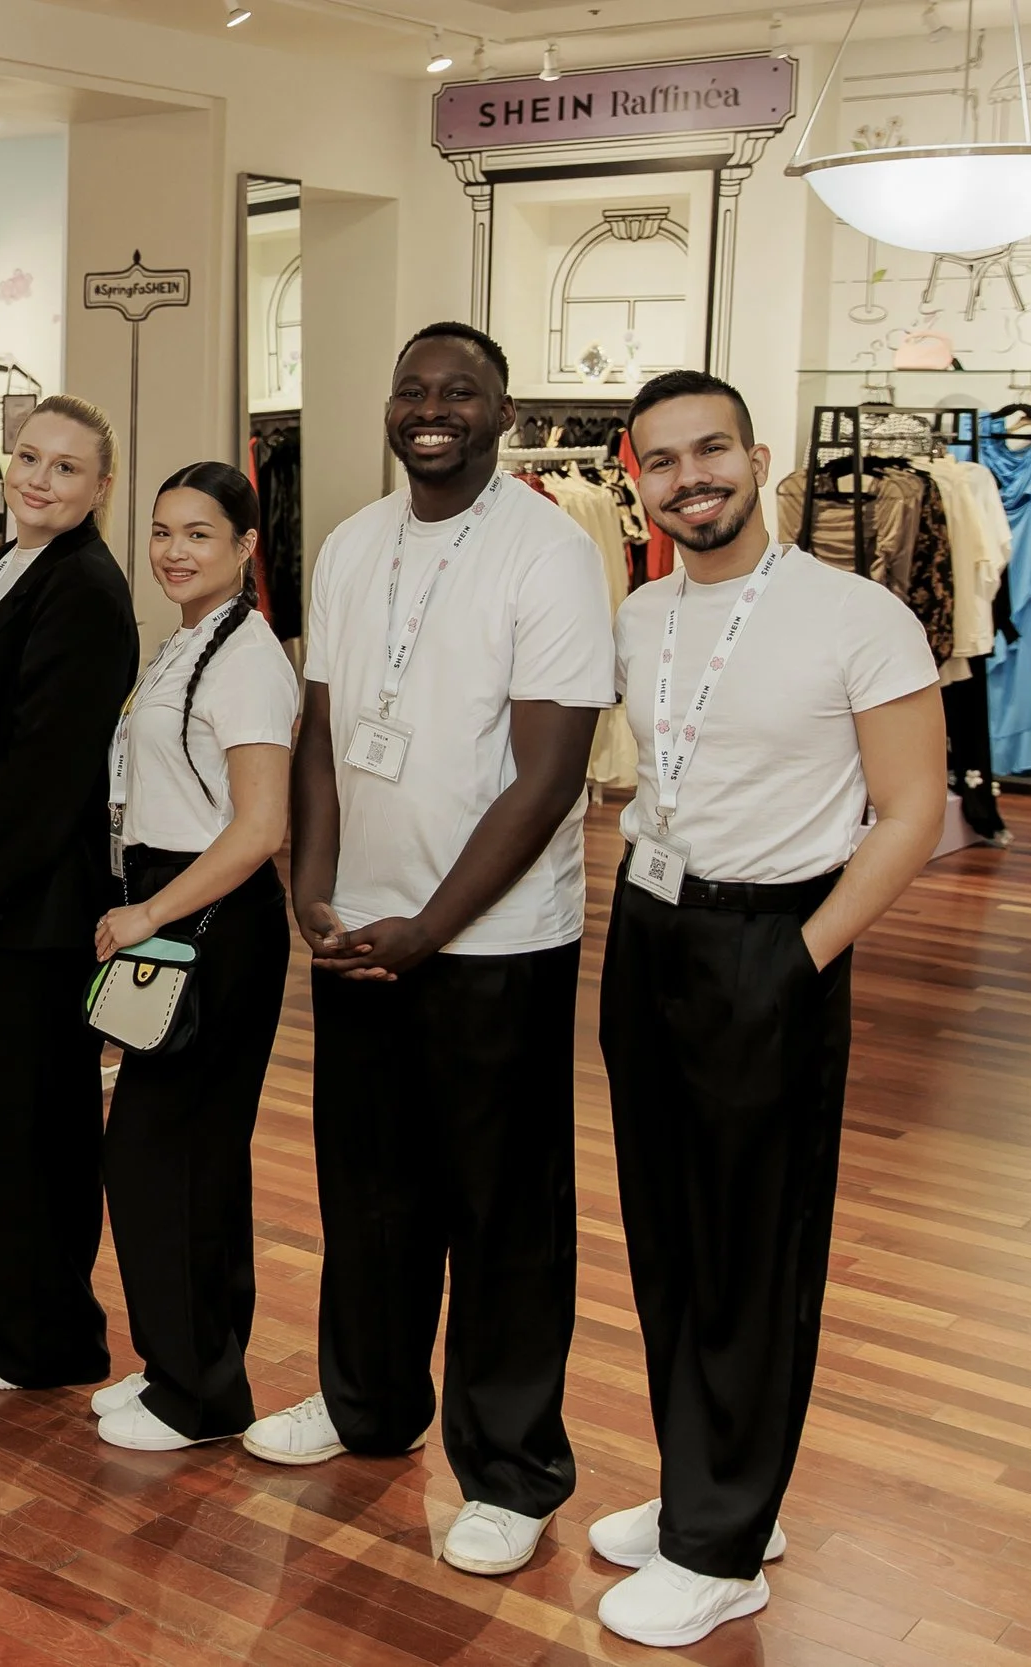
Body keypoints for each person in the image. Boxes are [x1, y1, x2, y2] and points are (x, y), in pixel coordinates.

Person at [245, 323, 613, 1581]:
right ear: (389, 407)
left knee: (500, 1212)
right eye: (412, 389)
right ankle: (367, 1399)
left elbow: (550, 773)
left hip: (494, 940)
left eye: (461, 391)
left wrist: (431, 927)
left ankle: (510, 1470)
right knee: (367, 1188)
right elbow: (321, 729)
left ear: (503, 413)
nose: (432, 408)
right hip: (362, 929)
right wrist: (313, 885)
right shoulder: (351, 543)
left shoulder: (549, 553)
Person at [590, 372, 944, 1648]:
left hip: (773, 936)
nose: (691, 478)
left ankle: (721, 1547)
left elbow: (912, 812)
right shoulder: (638, 614)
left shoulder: (857, 615)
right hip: (649, 930)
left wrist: (799, 959)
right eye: (664, 460)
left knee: (753, 1246)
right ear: (636, 477)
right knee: (668, 1234)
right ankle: (709, 1483)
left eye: (712, 450)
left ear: (759, 456)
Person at [0, 395, 139, 1393]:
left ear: (101, 486)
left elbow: (48, 764)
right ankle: (5, 1303)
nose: (39, 478)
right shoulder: (11, 561)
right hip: (4, 888)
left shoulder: (85, 588)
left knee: (35, 1122)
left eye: (65, 467)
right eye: (27, 457)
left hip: (37, 902)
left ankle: (45, 1337)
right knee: (2, 1112)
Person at [90, 462, 298, 1452]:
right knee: (165, 1157)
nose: (174, 551)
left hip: (212, 919)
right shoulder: (186, 639)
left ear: (245, 546)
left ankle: (201, 1393)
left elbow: (260, 826)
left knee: (175, 1158)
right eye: (163, 531)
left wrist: (150, 913)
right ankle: (181, 1367)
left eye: (199, 534)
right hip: (176, 904)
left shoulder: (247, 660)